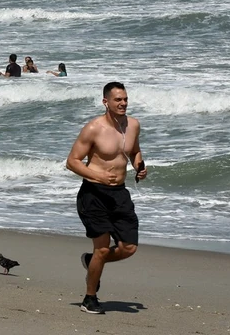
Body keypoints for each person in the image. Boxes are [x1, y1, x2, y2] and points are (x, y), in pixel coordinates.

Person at [66, 81, 147, 315]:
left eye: (125, 99)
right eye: (117, 100)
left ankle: (92, 261)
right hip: (94, 195)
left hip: (119, 194)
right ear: (106, 102)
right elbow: (72, 161)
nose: (122, 103)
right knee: (102, 250)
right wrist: (98, 176)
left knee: (129, 248)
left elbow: (133, 151)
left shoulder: (133, 125)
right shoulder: (94, 128)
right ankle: (89, 299)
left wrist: (140, 167)